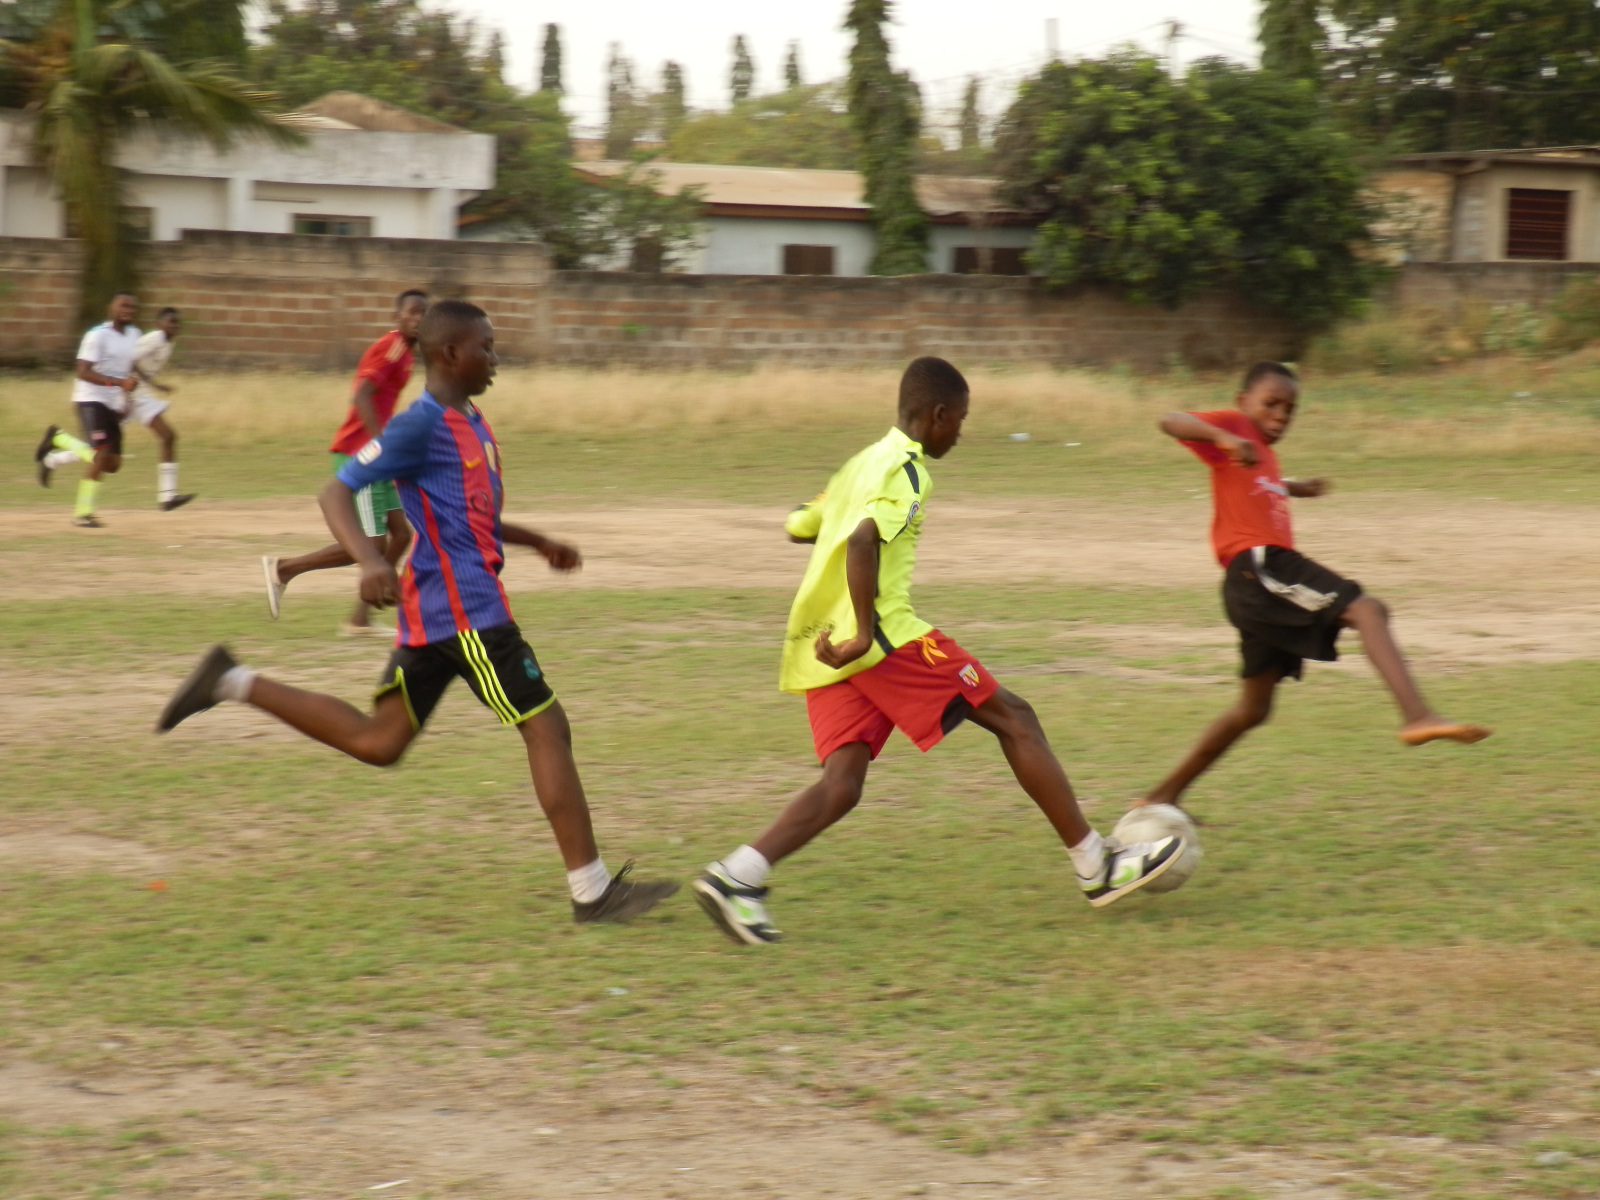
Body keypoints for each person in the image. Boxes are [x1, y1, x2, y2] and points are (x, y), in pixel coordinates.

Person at [158, 300, 678, 924]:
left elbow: (470, 516)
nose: (496, 357)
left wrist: (538, 542)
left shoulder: (472, 422)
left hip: (437, 613)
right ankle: (592, 892)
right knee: (546, 726)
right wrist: (369, 561)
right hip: (468, 612)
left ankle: (230, 680)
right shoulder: (420, 426)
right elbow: (334, 492)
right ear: (451, 354)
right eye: (486, 346)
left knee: (379, 742)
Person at [692, 356, 1184, 946]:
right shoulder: (906, 470)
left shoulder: (860, 463)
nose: (960, 434)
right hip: (880, 640)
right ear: (939, 415)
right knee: (1016, 718)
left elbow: (799, 524)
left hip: (820, 644)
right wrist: (863, 633)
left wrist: (834, 525)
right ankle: (1095, 865)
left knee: (842, 784)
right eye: (961, 421)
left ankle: (736, 877)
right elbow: (863, 540)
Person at [1138, 361, 1492, 812]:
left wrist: (1295, 488)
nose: (1281, 415)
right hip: (1261, 566)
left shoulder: (1260, 453)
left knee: (1253, 709)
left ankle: (1160, 796)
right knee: (1368, 610)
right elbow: (1170, 420)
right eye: (1271, 404)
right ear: (1243, 402)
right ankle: (1417, 715)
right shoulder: (1235, 430)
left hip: (1253, 583)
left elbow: (1258, 482)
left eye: (1290, 409)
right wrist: (1222, 436)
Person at [261, 289, 427, 636]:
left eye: (423, 313)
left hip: (378, 455)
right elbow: (361, 395)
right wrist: (382, 443)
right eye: (412, 312)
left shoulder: (408, 352)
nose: (418, 319)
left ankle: (359, 619)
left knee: (400, 535)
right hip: (361, 454)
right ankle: (284, 569)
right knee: (370, 545)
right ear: (397, 317)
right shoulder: (393, 347)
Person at [34, 291, 141, 528]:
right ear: (111, 308)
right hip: (90, 399)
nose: (128, 311)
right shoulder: (97, 335)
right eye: (123, 306)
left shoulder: (135, 335)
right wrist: (118, 383)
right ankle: (83, 514)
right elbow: (83, 371)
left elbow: (131, 371)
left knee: (113, 464)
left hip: (113, 402)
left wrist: (127, 398)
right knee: (101, 456)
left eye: (132, 307)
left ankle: (58, 440)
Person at [127, 306, 196, 512]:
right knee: (102, 450)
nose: (174, 326)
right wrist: (152, 384)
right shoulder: (155, 339)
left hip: (140, 394)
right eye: (170, 322)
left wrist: (152, 385)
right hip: (128, 391)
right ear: (159, 324)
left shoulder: (168, 343)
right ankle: (55, 454)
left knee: (168, 436)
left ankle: (167, 497)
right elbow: (128, 360)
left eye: (177, 323)